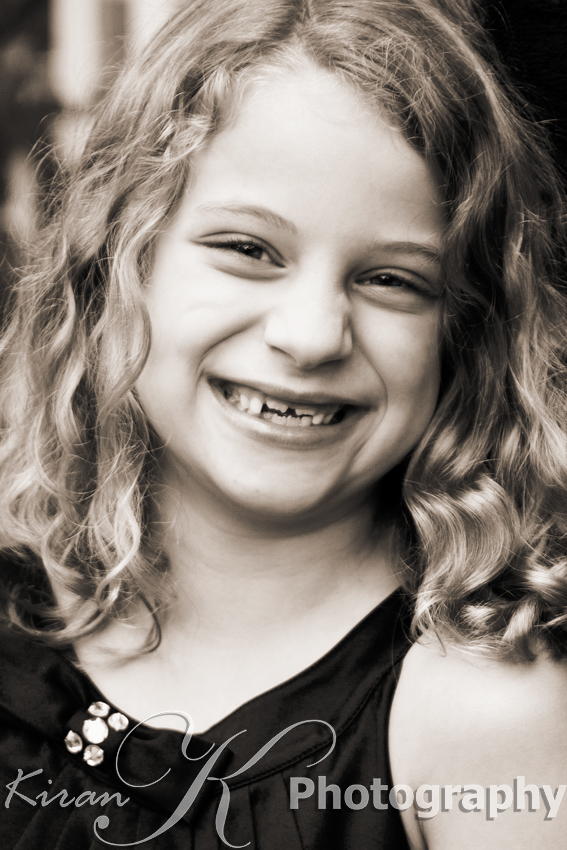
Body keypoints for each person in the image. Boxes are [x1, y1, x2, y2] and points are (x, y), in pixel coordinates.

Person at [0, 0, 566, 847]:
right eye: (247, 249)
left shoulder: (481, 717)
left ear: (466, 336)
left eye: (391, 280)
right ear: (116, 259)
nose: (310, 336)